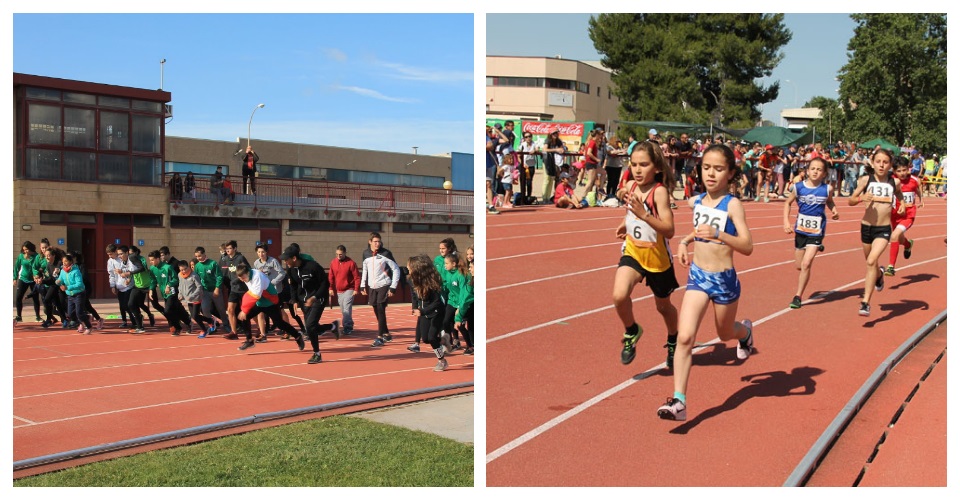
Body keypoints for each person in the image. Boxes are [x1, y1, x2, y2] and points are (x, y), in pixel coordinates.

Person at [658, 144, 755, 421]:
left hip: (724, 280)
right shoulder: (697, 200)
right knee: (685, 337)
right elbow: (698, 229)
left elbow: (747, 246)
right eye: (706, 167)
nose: (711, 174)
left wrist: (719, 234)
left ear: (731, 173)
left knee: (725, 334)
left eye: (719, 169)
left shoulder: (732, 204)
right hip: (698, 276)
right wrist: (686, 242)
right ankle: (679, 402)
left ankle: (745, 333)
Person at [612, 140, 680, 369]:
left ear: (657, 167)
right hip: (633, 251)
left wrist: (643, 215)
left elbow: (669, 230)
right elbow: (628, 204)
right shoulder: (631, 185)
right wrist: (625, 222)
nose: (638, 169)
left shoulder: (659, 193)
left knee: (663, 307)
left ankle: (673, 339)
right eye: (633, 164)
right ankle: (632, 330)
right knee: (619, 296)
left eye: (644, 164)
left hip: (657, 259)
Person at [848, 149, 904, 316]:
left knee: (872, 261)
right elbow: (851, 200)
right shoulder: (866, 180)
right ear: (873, 162)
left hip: (883, 229)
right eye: (878, 161)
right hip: (867, 227)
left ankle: (865, 302)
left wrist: (902, 204)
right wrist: (860, 199)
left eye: (885, 162)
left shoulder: (895, 183)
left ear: (890, 165)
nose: (881, 165)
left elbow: (900, 196)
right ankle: (879, 275)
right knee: (870, 263)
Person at [782, 158, 839, 309]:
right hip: (801, 230)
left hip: (817, 231)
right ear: (807, 171)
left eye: (819, 169)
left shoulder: (827, 189)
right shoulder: (798, 187)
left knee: (807, 264)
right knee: (799, 266)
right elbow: (788, 203)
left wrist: (834, 210)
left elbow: (830, 201)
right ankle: (814, 249)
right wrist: (786, 222)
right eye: (813, 168)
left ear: (824, 173)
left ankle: (798, 296)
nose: (815, 171)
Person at [280, 247, 339, 363]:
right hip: (304, 301)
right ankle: (332, 327)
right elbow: (293, 286)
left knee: (310, 326)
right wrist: (294, 300)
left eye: (286, 259)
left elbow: (325, 283)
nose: (285, 262)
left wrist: (314, 297)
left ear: (294, 258)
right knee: (311, 327)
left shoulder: (313, 266)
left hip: (318, 298)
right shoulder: (291, 270)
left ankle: (317, 354)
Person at [234, 263, 308, 354]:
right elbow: (251, 293)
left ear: (248, 273)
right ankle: (249, 340)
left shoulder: (257, 276)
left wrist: (244, 309)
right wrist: (244, 310)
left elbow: (255, 295)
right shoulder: (246, 276)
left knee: (279, 323)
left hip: (270, 301)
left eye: (243, 278)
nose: (242, 280)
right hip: (260, 302)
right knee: (244, 317)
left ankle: (297, 336)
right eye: (240, 278)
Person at [406, 254, 451, 372]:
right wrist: (414, 308)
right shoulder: (411, 280)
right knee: (425, 339)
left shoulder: (431, 282)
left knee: (431, 337)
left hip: (437, 312)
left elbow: (437, 303)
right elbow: (414, 296)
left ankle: (442, 361)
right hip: (424, 313)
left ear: (418, 269)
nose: (408, 269)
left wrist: (422, 311)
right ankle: (443, 340)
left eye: (410, 267)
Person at [361, 232, 401, 347]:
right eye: (375, 242)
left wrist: (393, 287)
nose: (377, 244)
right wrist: (362, 285)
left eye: (379, 241)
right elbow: (365, 270)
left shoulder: (386, 253)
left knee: (380, 308)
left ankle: (380, 337)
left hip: (384, 284)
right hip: (372, 286)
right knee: (375, 308)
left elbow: (396, 269)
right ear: (370, 242)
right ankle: (386, 333)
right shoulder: (366, 253)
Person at [885, 156, 922, 276]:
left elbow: (918, 189)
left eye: (904, 170)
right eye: (899, 171)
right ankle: (908, 244)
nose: (902, 173)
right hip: (894, 215)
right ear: (894, 171)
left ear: (909, 168)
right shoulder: (891, 180)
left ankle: (891, 266)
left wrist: (921, 200)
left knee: (894, 235)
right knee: (899, 239)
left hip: (908, 215)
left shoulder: (914, 180)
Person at [147, 250, 191, 335]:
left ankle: (177, 327)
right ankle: (188, 321)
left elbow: (176, 279)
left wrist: (169, 285)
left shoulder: (168, 267)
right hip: (165, 293)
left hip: (172, 292)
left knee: (167, 311)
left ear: (158, 259)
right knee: (176, 309)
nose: (151, 262)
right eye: (150, 260)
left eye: (152, 260)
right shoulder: (152, 269)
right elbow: (153, 280)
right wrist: (151, 290)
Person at [55, 253, 94, 335]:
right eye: (63, 262)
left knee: (79, 312)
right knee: (70, 313)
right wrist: (58, 281)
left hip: (79, 293)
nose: (64, 263)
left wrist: (67, 287)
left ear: (70, 261)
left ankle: (89, 327)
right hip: (70, 295)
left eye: (66, 261)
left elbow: (79, 284)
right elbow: (60, 279)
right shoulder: (62, 271)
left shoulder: (76, 271)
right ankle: (86, 317)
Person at [220, 240, 251, 339]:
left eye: (229, 248)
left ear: (235, 249)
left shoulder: (240, 258)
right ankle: (234, 332)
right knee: (230, 309)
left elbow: (248, 270)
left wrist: (238, 279)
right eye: (226, 249)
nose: (227, 250)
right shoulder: (226, 259)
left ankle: (260, 328)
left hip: (243, 289)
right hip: (233, 289)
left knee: (249, 311)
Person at [193, 246, 227, 335]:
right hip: (204, 292)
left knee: (221, 309)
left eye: (199, 256)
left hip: (215, 291)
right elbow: (196, 278)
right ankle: (212, 325)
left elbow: (219, 276)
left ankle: (226, 324)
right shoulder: (197, 266)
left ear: (204, 254)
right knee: (205, 310)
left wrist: (217, 288)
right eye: (196, 256)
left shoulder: (213, 263)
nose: (198, 258)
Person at [177, 260, 215, 337]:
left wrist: (193, 295)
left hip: (196, 298)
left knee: (194, 316)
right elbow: (180, 285)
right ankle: (210, 320)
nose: (184, 271)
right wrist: (180, 294)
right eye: (181, 270)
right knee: (195, 316)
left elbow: (199, 287)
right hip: (188, 300)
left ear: (188, 267)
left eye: (185, 269)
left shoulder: (194, 275)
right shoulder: (180, 275)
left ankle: (204, 330)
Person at [328, 245, 360, 336]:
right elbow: (331, 276)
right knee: (343, 310)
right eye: (337, 254)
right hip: (339, 290)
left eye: (340, 254)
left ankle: (347, 327)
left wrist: (356, 289)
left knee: (346, 308)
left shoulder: (351, 263)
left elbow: (357, 277)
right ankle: (349, 323)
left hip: (349, 289)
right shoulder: (333, 263)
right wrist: (330, 288)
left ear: (345, 253)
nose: (338, 256)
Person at [14, 241, 42, 323]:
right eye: (24, 250)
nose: (25, 251)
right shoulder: (21, 256)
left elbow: (37, 267)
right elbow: (16, 267)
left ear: (31, 249)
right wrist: (14, 278)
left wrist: (37, 275)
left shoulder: (36, 256)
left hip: (34, 280)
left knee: (35, 297)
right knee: (18, 297)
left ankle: (38, 316)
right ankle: (19, 316)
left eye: (27, 249)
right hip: (23, 278)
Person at [455, 259, 475, 355]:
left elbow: (466, 300)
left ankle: (471, 346)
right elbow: (463, 297)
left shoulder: (470, 282)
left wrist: (458, 317)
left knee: (466, 326)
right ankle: (471, 345)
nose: (469, 269)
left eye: (471, 267)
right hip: (467, 307)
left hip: (469, 308)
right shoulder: (470, 280)